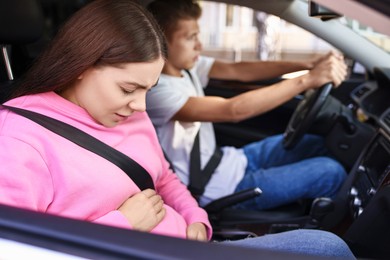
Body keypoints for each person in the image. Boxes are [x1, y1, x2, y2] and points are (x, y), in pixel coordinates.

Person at [0, 0, 355, 258]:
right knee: (325, 247)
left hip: (187, 241)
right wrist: (125, 224)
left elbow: (164, 177)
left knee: (324, 246)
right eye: (128, 89)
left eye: (147, 90)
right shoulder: (19, 140)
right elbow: (16, 250)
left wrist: (196, 219)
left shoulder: (127, 112)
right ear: (81, 65)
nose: (141, 106)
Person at [146, 0, 349, 209]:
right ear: (161, 42)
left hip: (230, 160)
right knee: (330, 172)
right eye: (191, 38)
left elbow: (238, 70)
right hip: (217, 188)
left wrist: (307, 64)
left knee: (317, 143)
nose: (200, 44)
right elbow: (231, 110)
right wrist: (307, 80)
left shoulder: (187, 68)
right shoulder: (156, 92)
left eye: (198, 35)